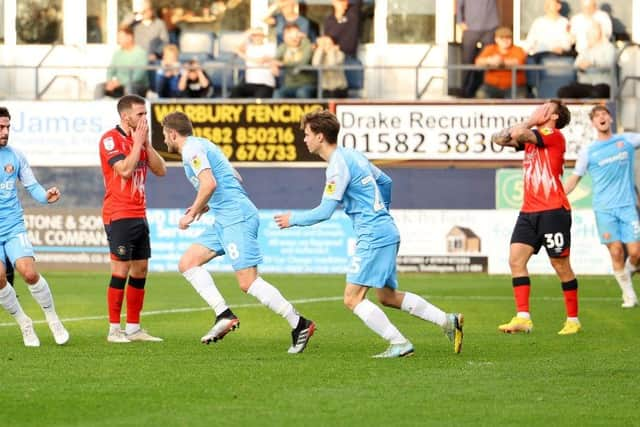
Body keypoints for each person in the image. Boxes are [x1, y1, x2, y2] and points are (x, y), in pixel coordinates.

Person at [274, 110, 463, 358]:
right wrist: (382, 212)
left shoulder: (337, 167)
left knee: (352, 298)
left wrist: (293, 219)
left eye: (307, 134)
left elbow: (325, 211)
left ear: (320, 136)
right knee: (388, 296)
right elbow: (386, 182)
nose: (304, 139)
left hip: (374, 235)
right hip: (385, 230)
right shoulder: (353, 155)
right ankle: (448, 321)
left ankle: (399, 343)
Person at [160, 111, 315, 353]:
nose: (165, 140)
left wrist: (191, 214)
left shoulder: (191, 149)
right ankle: (223, 314)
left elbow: (210, 183)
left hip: (236, 217)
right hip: (224, 218)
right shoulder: (203, 145)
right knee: (188, 263)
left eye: (164, 135)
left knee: (248, 282)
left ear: (172, 133)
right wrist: (203, 205)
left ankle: (300, 324)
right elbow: (232, 176)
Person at [491, 100, 581, 335]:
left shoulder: (553, 135)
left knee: (560, 265)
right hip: (529, 211)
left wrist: (531, 120)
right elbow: (498, 139)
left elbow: (520, 132)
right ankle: (523, 317)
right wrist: (526, 126)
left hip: (553, 210)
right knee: (516, 261)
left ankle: (573, 320)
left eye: (546, 107)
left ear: (552, 116)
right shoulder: (532, 138)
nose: (540, 107)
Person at [99, 95, 167, 343]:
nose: (144, 119)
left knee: (140, 270)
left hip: (139, 213)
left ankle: (134, 327)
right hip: (118, 213)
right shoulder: (110, 139)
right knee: (121, 270)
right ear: (125, 116)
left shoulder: (141, 140)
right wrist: (137, 143)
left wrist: (145, 144)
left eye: (146, 114)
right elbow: (125, 170)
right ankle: (114, 329)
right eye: (140, 114)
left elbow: (161, 170)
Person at [0, 106, 69, 347]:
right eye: (1, 127)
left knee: (28, 272)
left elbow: (33, 187)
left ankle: (53, 319)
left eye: (8, 126)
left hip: (12, 226)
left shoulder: (15, 155)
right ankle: (24, 323)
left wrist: (45, 195)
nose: (5, 131)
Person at [564, 105, 639, 308]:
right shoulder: (589, 151)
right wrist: (559, 195)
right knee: (616, 251)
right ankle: (629, 295)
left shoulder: (627, 141)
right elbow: (574, 179)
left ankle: (626, 275)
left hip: (627, 206)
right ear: (593, 123)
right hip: (604, 209)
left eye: (604, 114)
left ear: (610, 119)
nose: (601, 117)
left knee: (636, 253)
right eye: (597, 116)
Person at [557, 22, 615, 99]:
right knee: (563, 91)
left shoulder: (609, 47)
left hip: (602, 84)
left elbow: (610, 63)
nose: (589, 35)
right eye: (589, 33)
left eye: (593, 32)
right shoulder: (585, 50)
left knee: (597, 92)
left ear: (600, 33)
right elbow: (575, 65)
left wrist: (592, 63)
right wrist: (580, 66)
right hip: (585, 84)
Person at [456, 0, 499, 98]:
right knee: (467, 60)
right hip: (470, 28)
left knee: (485, 61)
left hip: (489, 27)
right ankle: (464, 91)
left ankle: (481, 90)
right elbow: (459, 5)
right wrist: (459, 21)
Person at [474, 27, 527, 99]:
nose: (505, 40)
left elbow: (518, 61)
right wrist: (489, 61)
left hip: (514, 87)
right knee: (481, 94)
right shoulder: (490, 48)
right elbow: (478, 61)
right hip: (491, 86)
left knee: (520, 99)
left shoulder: (518, 49)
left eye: (508, 38)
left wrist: (502, 62)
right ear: (496, 39)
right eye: (502, 38)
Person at [100, 25, 149, 98]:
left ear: (130, 37)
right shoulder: (117, 53)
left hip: (137, 85)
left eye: (121, 38)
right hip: (119, 85)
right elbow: (110, 70)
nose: (118, 40)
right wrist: (109, 82)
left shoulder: (141, 53)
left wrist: (120, 83)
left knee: (129, 88)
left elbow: (138, 76)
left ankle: (129, 108)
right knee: (99, 88)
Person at [230, 27, 277, 99]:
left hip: (265, 84)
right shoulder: (249, 47)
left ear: (263, 36)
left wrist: (241, 54)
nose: (257, 37)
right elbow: (235, 48)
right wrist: (246, 36)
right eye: (254, 35)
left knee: (259, 99)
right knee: (235, 92)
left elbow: (260, 61)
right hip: (250, 83)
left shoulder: (270, 47)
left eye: (259, 35)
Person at [274, 23, 316, 99]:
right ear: (285, 37)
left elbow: (303, 63)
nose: (294, 38)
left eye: (296, 34)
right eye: (290, 35)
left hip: (307, 84)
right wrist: (273, 65)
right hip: (290, 85)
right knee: (277, 94)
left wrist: (283, 63)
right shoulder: (284, 47)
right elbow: (274, 59)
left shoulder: (306, 44)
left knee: (302, 93)